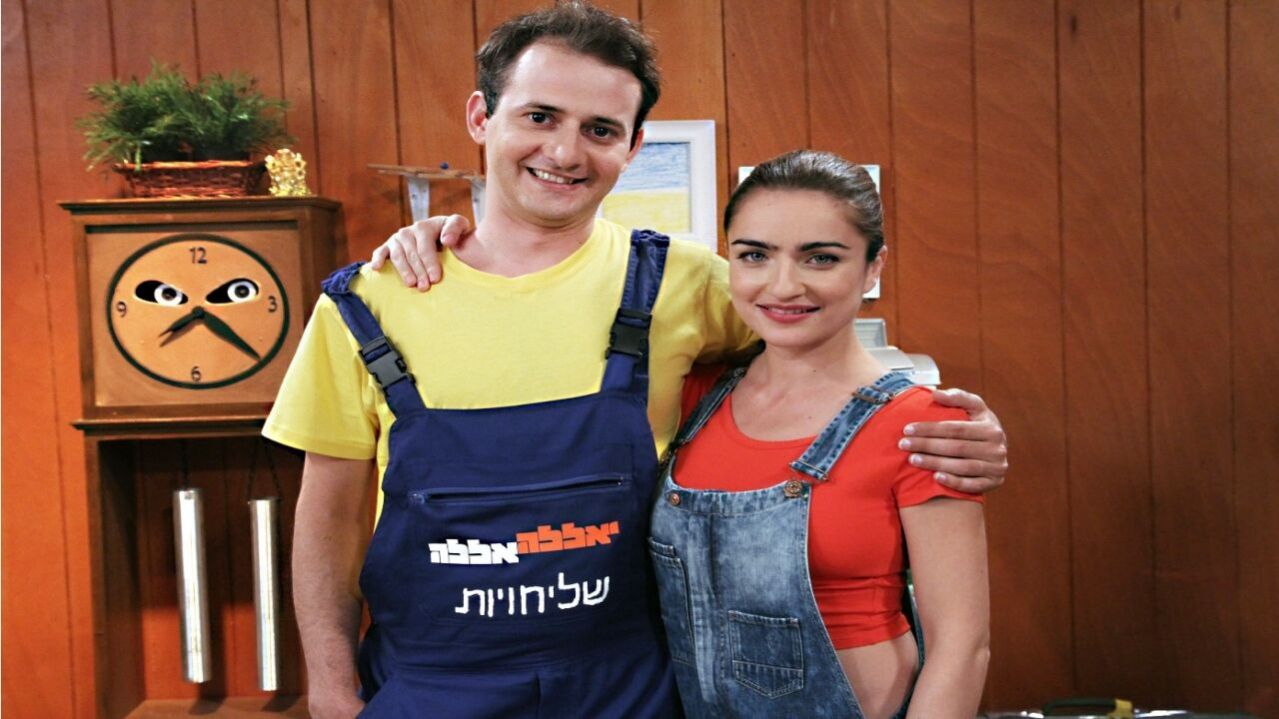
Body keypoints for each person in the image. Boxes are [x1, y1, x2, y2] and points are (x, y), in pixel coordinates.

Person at [267, 3, 1007, 717]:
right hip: (431, 688)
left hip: (632, 690)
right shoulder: (372, 300)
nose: (565, 152)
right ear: (480, 117)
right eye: (539, 116)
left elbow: (828, 361)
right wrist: (329, 684)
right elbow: (327, 515)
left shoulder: (688, 282)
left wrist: (962, 429)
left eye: (599, 129)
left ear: (633, 145)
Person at [650, 150, 988, 719]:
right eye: (755, 255)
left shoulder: (925, 426)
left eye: (821, 258)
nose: (784, 286)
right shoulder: (692, 397)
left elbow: (962, 648)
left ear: (873, 267)